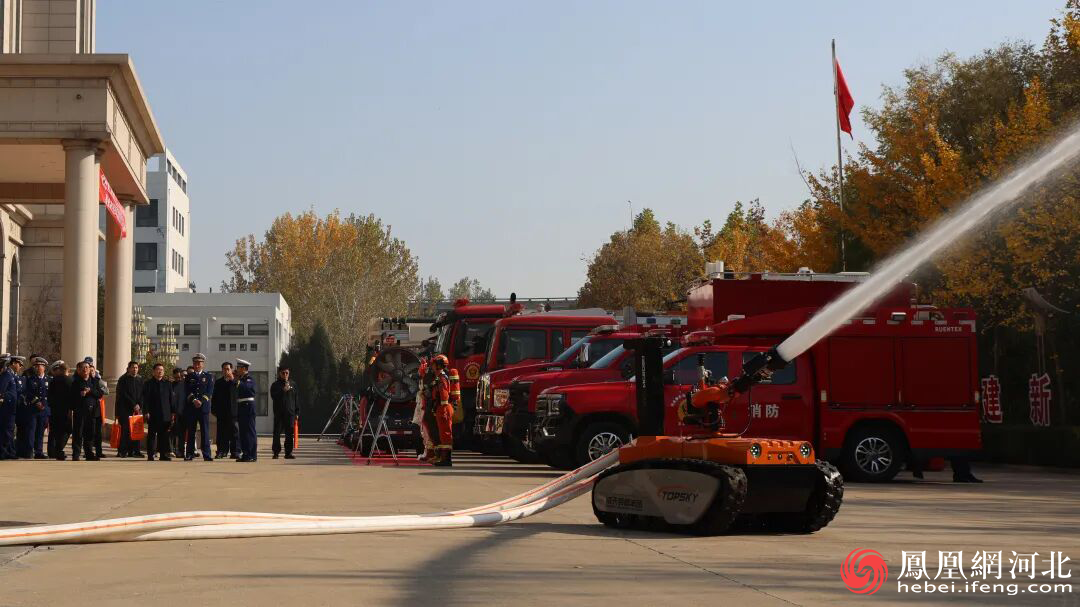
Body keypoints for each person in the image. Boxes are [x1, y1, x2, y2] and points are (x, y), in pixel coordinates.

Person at [183, 354, 214, 462]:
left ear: (203, 364)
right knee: (191, 432)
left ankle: (207, 454)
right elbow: (186, 391)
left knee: (205, 432)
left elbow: (209, 392)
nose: (197, 365)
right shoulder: (188, 377)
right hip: (191, 408)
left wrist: (201, 400)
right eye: (195, 363)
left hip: (203, 408)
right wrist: (194, 400)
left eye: (199, 363)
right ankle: (189, 454)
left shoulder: (208, 376)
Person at [142, 363, 175, 461]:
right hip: (153, 413)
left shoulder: (167, 384)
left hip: (165, 414)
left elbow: (171, 399)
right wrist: (146, 411)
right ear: (154, 371)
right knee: (152, 435)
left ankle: (163, 454)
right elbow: (145, 399)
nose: (160, 371)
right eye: (158, 369)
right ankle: (150, 455)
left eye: (162, 370)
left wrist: (173, 412)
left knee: (163, 435)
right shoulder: (148, 384)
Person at [72, 361, 104, 461]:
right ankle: (76, 454)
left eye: (87, 367)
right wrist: (80, 394)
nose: (85, 369)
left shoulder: (94, 381)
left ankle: (89, 454)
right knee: (78, 434)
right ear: (79, 370)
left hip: (93, 412)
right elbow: (71, 397)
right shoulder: (75, 382)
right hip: (80, 411)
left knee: (90, 434)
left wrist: (90, 391)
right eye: (83, 367)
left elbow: (100, 394)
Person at [22, 357, 51, 459]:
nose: (37, 368)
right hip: (33, 410)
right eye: (36, 366)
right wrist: (36, 402)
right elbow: (26, 392)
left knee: (40, 432)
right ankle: (29, 451)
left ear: (44, 367)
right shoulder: (30, 379)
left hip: (44, 410)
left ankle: (39, 452)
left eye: (39, 366)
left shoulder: (49, 380)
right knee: (31, 431)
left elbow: (51, 395)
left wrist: (47, 407)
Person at [115, 361, 144, 458]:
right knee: (126, 431)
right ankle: (123, 451)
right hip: (125, 409)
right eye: (133, 367)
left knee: (137, 430)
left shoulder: (140, 379)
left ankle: (136, 451)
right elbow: (123, 394)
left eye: (136, 367)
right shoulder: (123, 379)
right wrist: (133, 404)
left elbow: (142, 394)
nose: (135, 369)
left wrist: (139, 404)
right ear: (129, 368)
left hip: (137, 410)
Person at [211, 362, 239, 459]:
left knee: (234, 433)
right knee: (221, 433)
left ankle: (235, 452)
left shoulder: (236, 382)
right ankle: (221, 451)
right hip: (221, 412)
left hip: (233, 412)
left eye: (228, 369)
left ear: (231, 370)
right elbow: (214, 398)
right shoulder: (218, 383)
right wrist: (214, 410)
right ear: (222, 370)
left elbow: (239, 394)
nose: (226, 371)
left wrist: (233, 381)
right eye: (224, 369)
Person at [430, 356, 454, 467]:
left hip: (443, 407)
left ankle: (446, 460)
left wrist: (442, 409)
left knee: (445, 434)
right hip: (441, 407)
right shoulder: (439, 377)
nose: (432, 366)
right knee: (442, 434)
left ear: (439, 365)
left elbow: (444, 395)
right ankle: (443, 458)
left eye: (434, 364)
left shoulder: (442, 378)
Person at [270, 366, 298, 460]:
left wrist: (297, 412)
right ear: (279, 373)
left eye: (287, 373)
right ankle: (276, 453)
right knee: (277, 433)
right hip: (279, 413)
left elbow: (296, 399)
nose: (285, 375)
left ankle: (288, 453)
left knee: (289, 434)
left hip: (290, 413)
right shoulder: (275, 385)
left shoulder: (293, 384)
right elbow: (274, 396)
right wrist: (283, 391)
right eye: (283, 373)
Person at [84, 358, 109, 459]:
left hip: (97, 410)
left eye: (93, 370)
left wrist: (91, 391)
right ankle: (89, 452)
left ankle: (99, 451)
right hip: (87, 410)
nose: (91, 371)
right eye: (89, 369)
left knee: (98, 433)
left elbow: (101, 394)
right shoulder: (85, 381)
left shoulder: (98, 381)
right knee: (89, 433)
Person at [48, 361, 72, 460]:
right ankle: (58, 449)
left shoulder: (53, 381)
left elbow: (49, 396)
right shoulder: (69, 381)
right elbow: (72, 397)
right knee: (66, 430)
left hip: (54, 410)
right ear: (67, 371)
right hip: (65, 411)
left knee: (53, 431)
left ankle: (51, 451)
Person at [235, 359, 258, 462]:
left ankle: (252, 454)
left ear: (244, 369)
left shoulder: (249, 379)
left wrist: (238, 382)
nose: (237, 370)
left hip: (248, 406)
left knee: (249, 431)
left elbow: (248, 389)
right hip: (241, 406)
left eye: (238, 368)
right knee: (243, 432)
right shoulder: (241, 379)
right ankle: (246, 454)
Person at [9, 356, 28, 458]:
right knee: (10, 430)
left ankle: (15, 450)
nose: (20, 367)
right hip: (10, 407)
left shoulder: (17, 376)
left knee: (17, 430)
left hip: (18, 408)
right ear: (13, 363)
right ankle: (9, 452)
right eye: (19, 364)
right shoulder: (8, 375)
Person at [0, 354, 17, 460]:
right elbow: (1, 390)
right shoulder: (6, 375)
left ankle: (7, 451)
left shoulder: (9, 375)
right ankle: (3, 452)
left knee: (8, 430)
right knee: (6, 430)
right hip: (6, 407)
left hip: (10, 407)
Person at [169, 368, 186, 457]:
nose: (178, 379)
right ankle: (171, 450)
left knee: (181, 434)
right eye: (176, 377)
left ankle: (181, 451)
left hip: (182, 413)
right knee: (171, 433)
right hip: (172, 413)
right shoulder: (170, 386)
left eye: (180, 377)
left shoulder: (185, 385)